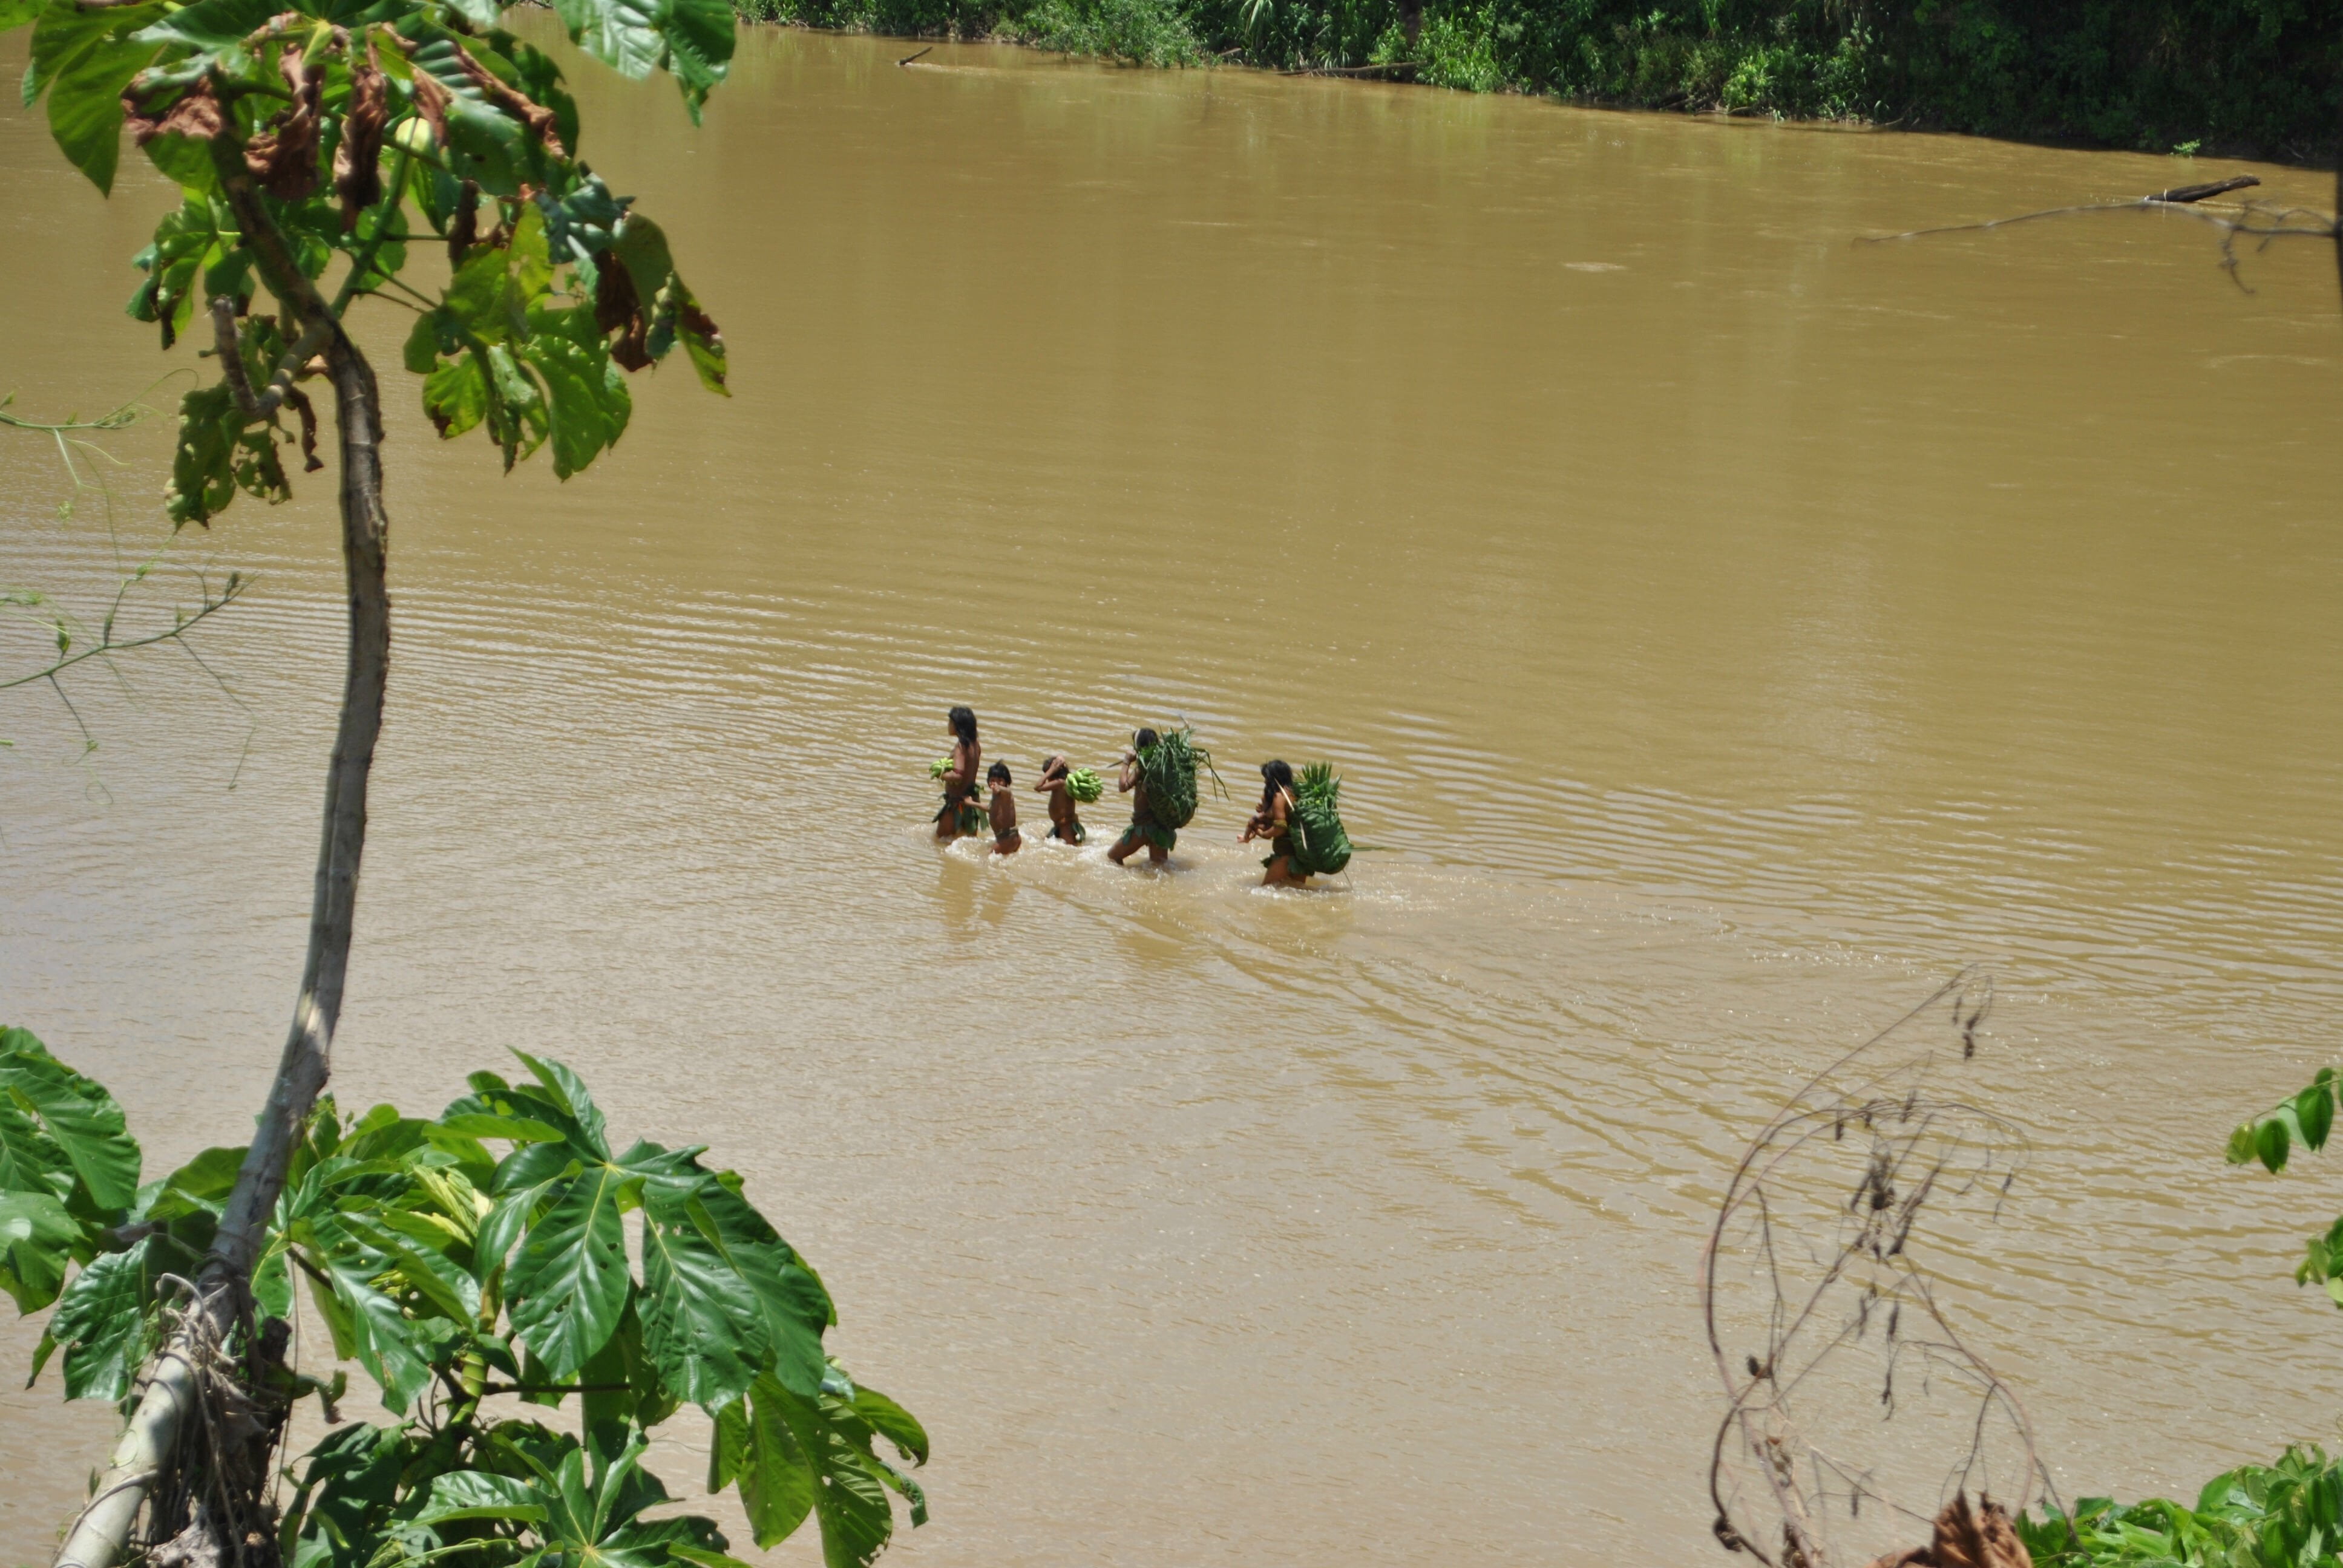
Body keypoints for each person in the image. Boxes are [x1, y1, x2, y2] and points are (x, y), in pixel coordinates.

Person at [1108, 728, 1173, 867]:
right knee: (1159, 866)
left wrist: (1126, 762)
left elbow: (1123, 786)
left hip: (1145, 827)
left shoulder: (1142, 768)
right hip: (1162, 827)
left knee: (1113, 857)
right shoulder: (1163, 766)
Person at [1240, 758, 1308, 887]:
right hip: (1301, 856)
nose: (1265, 781)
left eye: (1266, 778)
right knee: (1296, 891)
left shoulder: (1279, 797)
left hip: (1285, 855)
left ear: (1273, 778)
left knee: (1265, 890)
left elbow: (1280, 827)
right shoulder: (1296, 793)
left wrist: (1262, 833)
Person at [933, 706, 983, 840]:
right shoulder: (975, 744)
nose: (948, 725)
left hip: (957, 805)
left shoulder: (961, 747)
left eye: (950, 722)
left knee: (939, 842)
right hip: (972, 802)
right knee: (967, 841)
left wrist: (940, 775)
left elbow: (958, 776)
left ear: (958, 726)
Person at [1034, 754, 1084, 844]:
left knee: (1070, 850)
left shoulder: (1061, 783)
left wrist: (1051, 771)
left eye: (1048, 774)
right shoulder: (1064, 782)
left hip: (1066, 825)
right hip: (1060, 825)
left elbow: (1038, 787)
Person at [986, 761, 1021, 856]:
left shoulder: (1006, 794)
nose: (993, 783)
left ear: (1004, 782)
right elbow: (989, 808)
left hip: (1006, 838)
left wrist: (1000, 788)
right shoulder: (996, 796)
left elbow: (1008, 791)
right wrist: (971, 803)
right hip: (1010, 837)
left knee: (986, 858)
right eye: (991, 780)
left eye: (998, 781)